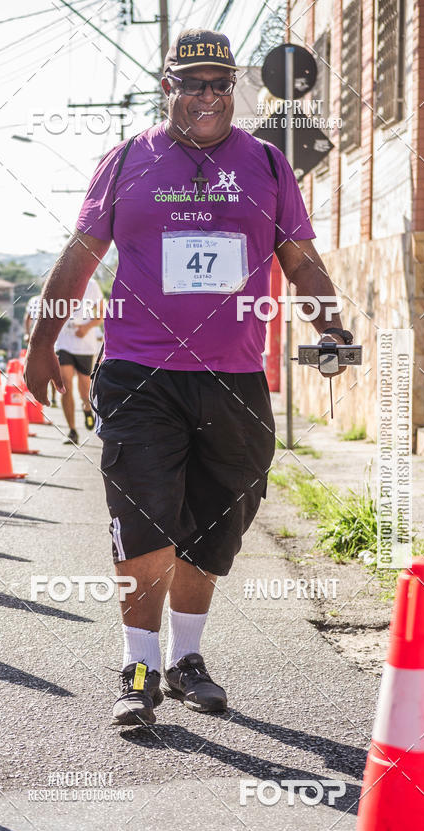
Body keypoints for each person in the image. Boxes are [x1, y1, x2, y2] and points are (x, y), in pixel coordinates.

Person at [25, 28, 353, 726]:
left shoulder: (267, 163)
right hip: (139, 372)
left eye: (220, 83)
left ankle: (187, 659)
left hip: (235, 379)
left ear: (233, 88)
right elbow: (81, 255)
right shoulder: (126, 161)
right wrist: (41, 342)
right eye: (192, 83)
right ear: (166, 87)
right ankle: (139, 665)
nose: (208, 95)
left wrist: (329, 325)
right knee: (144, 517)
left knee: (215, 525)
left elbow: (300, 260)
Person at [53, 279, 103, 444]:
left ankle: (87, 407)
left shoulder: (91, 285)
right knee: (65, 385)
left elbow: (101, 314)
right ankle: (72, 431)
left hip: (85, 346)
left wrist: (86, 328)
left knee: (84, 390)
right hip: (63, 344)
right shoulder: (58, 280)